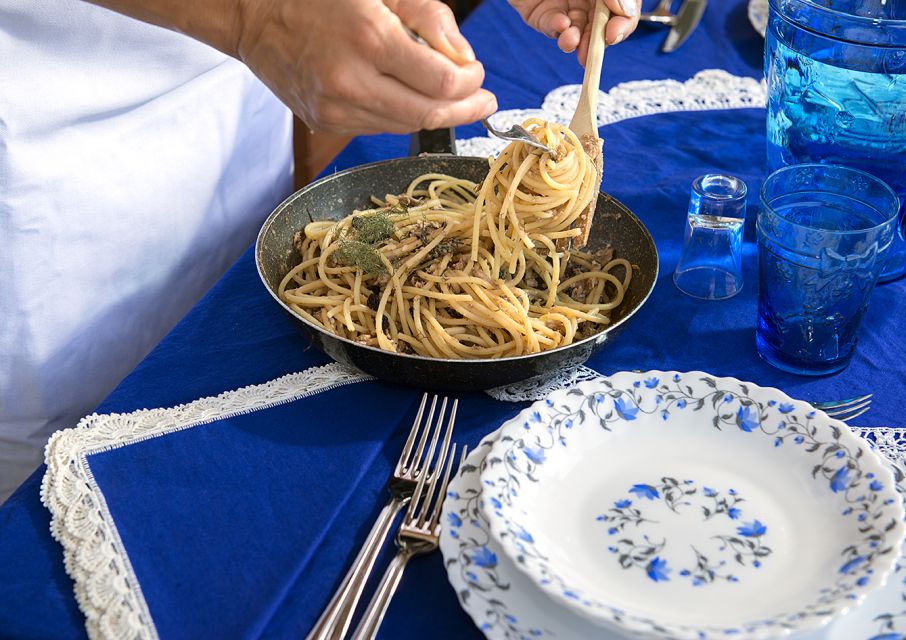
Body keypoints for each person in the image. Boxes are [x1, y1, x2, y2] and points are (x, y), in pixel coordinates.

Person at [0, 0, 639, 502]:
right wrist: (253, 15)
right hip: (54, 127)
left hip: (234, 92)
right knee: (73, 446)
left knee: (227, 320)